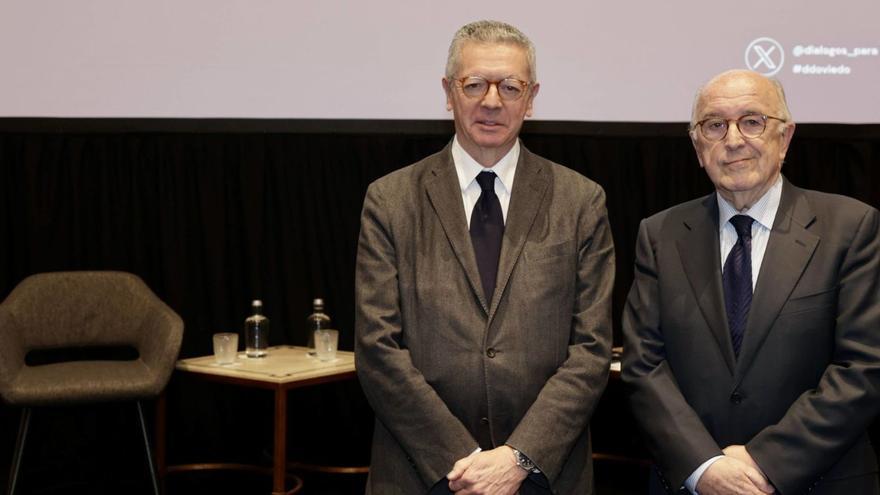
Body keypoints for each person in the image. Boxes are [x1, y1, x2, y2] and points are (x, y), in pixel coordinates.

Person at [355, 20, 614, 495]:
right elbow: (377, 348)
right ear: (448, 92)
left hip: (542, 474)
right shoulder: (389, 200)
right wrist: (467, 460)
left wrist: (518, 459)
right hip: (423, 472)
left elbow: (592, 349)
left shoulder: (581, 201)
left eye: (510, 86)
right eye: (474, 84)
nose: (491, 101)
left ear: (531, 97)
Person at [622, 69, 880, 495]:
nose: (734, 140)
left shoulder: (851, 228)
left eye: (753, 121)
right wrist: (704, 466)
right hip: (693, 483)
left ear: (786, 137)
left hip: (821, 481)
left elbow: (864, 367)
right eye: (715, 125)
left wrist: (765, 462)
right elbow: (644, 365)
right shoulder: (660, 234)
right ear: (697, 145)